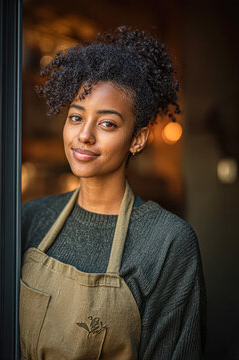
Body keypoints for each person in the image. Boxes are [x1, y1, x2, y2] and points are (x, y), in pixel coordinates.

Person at [20, 26, 206, 360]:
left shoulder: (168, 242)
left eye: (107, 124)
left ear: (137, 139)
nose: (85, 135)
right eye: (76, 117)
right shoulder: (30, 219)